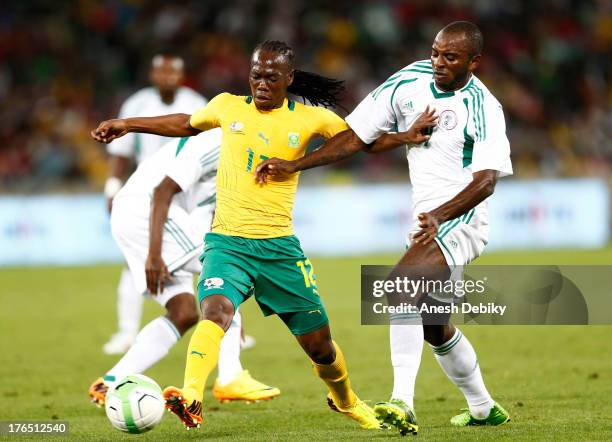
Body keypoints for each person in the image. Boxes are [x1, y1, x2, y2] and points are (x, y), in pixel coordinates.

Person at [91, 40, 430, 432]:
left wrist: (404, 136)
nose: (262, 83)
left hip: (280, 250)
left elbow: (359, 140)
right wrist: (127, 124)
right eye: (256, 75)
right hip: (227, 243)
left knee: (321, 347)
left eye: (271, 77)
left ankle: (346, 400)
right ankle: (192, 395)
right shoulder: (227, 106)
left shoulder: (309, 118)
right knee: (215, 310)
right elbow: (185, 122)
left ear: (288, 79)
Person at [256, 22, 512, 434]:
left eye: (451, 57)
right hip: (425, 219)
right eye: (435, 52)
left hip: (460, 217)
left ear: (473, 61)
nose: (439, 63)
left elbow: (486, 181)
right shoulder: (409, 80)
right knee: (435, 326)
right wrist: (294, 164)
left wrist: (439, 216)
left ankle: (402, 402)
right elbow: (355, 136)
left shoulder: (484, 106)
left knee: (399, 287)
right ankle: (483, 407)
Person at [89, 130, 279, 407]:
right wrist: (154, 254)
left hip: (139, 214)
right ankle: (230, 376)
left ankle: (111, 382)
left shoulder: (241, 160)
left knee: (184, 311)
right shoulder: (226, 142)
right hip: (145, 210)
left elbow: (213, 221)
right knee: (227, 273)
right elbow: (161, 191)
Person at [103, 53, 208, 355]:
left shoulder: (197, 102)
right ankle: (126, 332)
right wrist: (112, 187)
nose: (167, 78)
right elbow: (121, 152)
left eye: (172, 72)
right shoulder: (136, 105)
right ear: (152, 75)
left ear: (181, 75)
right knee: (132, 260)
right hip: (147, 190)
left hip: (189, 191)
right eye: (161, 72)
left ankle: (227, 327)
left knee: (212, 256)